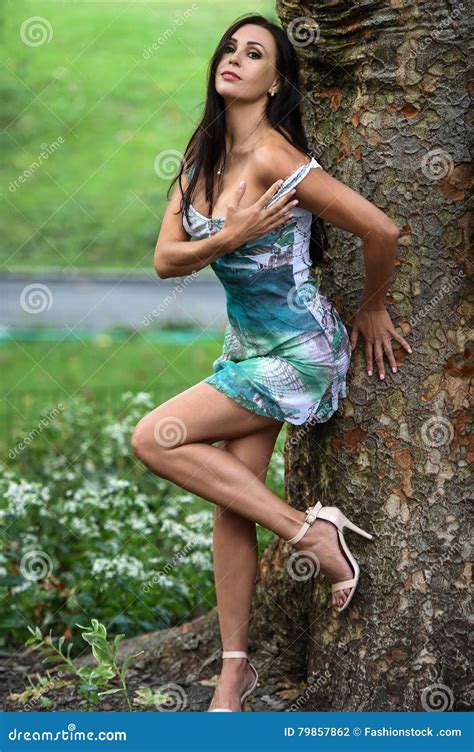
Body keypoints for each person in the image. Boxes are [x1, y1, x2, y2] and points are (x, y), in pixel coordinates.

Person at [131, 14, 413, 712]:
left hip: (299, 351)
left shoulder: (277, 159)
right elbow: (166, 260)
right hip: (247, 350)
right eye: (229, 47)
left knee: (154, 437)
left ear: (277, 79)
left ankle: (311, 533)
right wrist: (229, 236)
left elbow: (380, 228)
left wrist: (373, 306)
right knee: (233, 501)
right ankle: (235, 672)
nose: (233, 57)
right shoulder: (204, 151)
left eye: (253, 52)